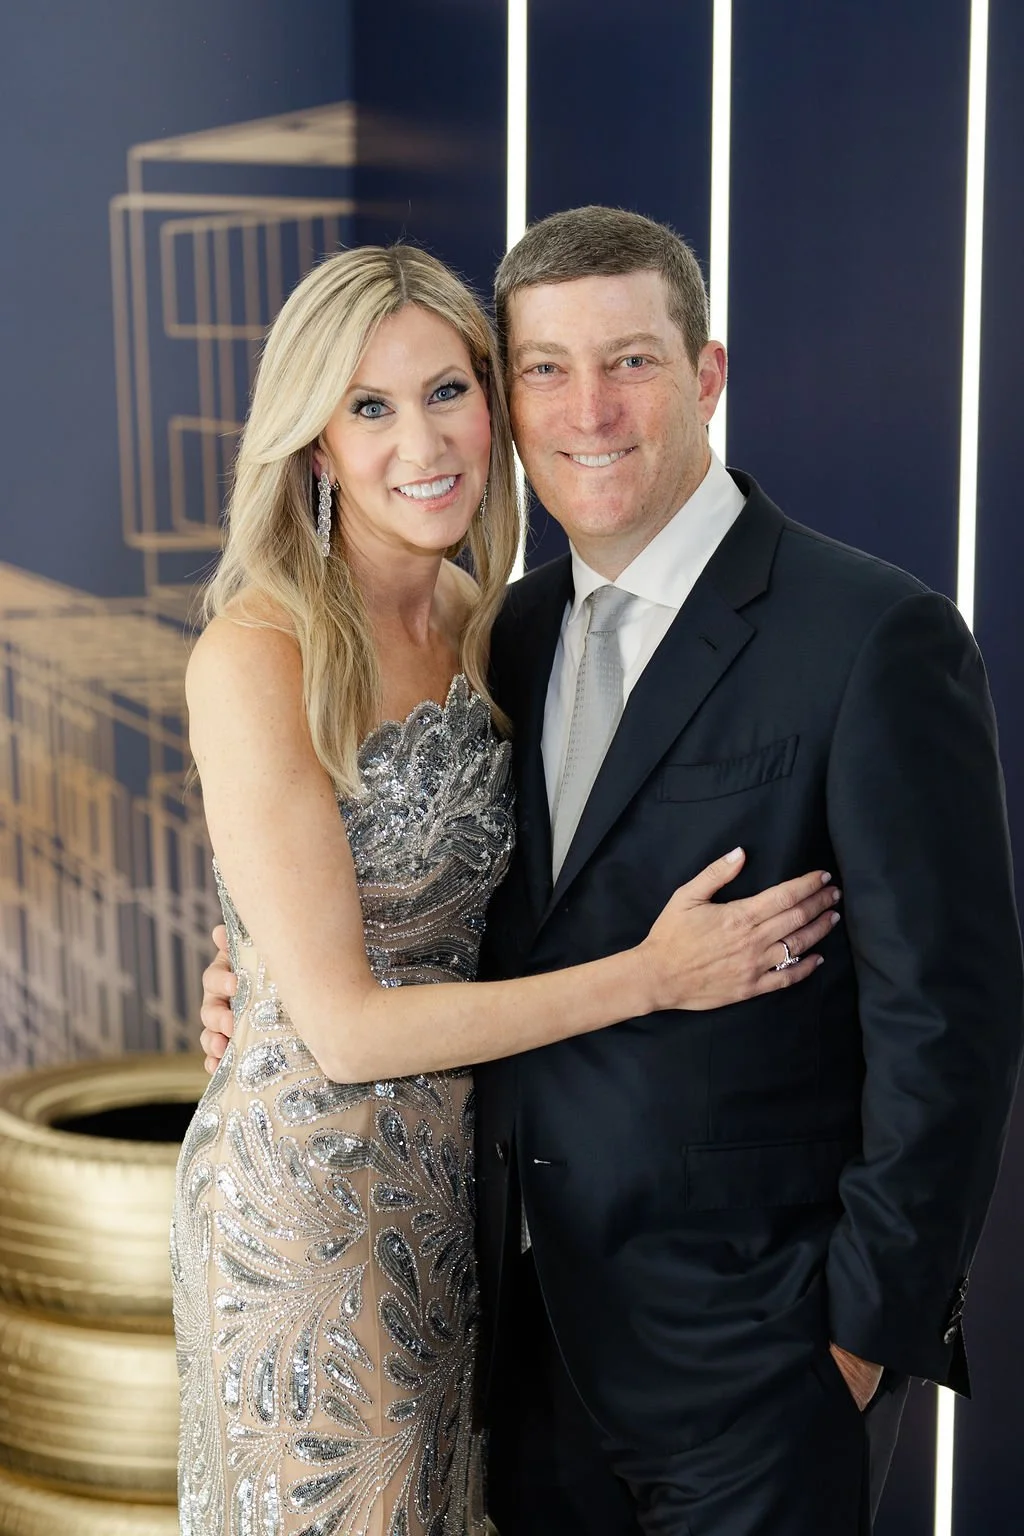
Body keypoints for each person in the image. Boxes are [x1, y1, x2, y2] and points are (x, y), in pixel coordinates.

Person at [199, 210, 1024, 1535]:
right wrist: (261, 973)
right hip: (506, 1333)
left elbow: (952, 1023)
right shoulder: (512, 635)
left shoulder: (875, 637)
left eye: (631, 361)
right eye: (545, 370)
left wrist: (862, 1341)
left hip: (762, 1359)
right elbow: (433, 922)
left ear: (706, 374)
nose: (589, 409)